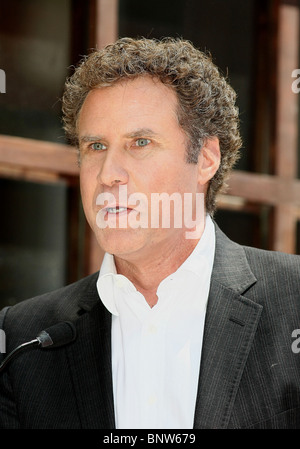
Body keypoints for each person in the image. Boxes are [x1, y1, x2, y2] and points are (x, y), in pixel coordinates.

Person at [0, 37, 299, 430]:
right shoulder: (22, 340)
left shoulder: (293, 300)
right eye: (95, 146)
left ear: (206, 158)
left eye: (140, 143)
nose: (108, 174)